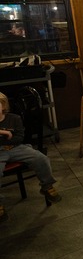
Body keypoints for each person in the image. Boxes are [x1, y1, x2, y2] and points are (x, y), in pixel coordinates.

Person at [0, 92, 61, 223]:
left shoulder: (14, 118)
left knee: (41, 159)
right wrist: (5, 133)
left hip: (16, 147)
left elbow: (18, 138)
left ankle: (47, 186)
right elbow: (10, 137)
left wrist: (7, 138)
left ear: (3, 106)